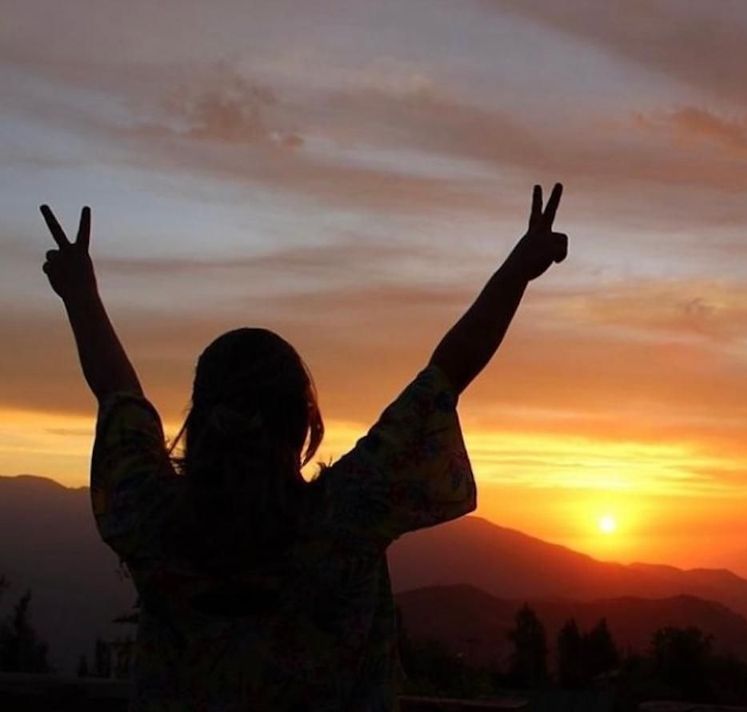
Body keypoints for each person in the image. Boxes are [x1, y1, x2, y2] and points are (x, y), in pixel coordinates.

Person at [40, 184, 568, 711]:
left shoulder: (150, 519)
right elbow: (445, 376)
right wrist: (518, 270)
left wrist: (80, 293)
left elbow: (118, 397)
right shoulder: (349, 513)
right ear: (301, 425)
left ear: (201, 421)